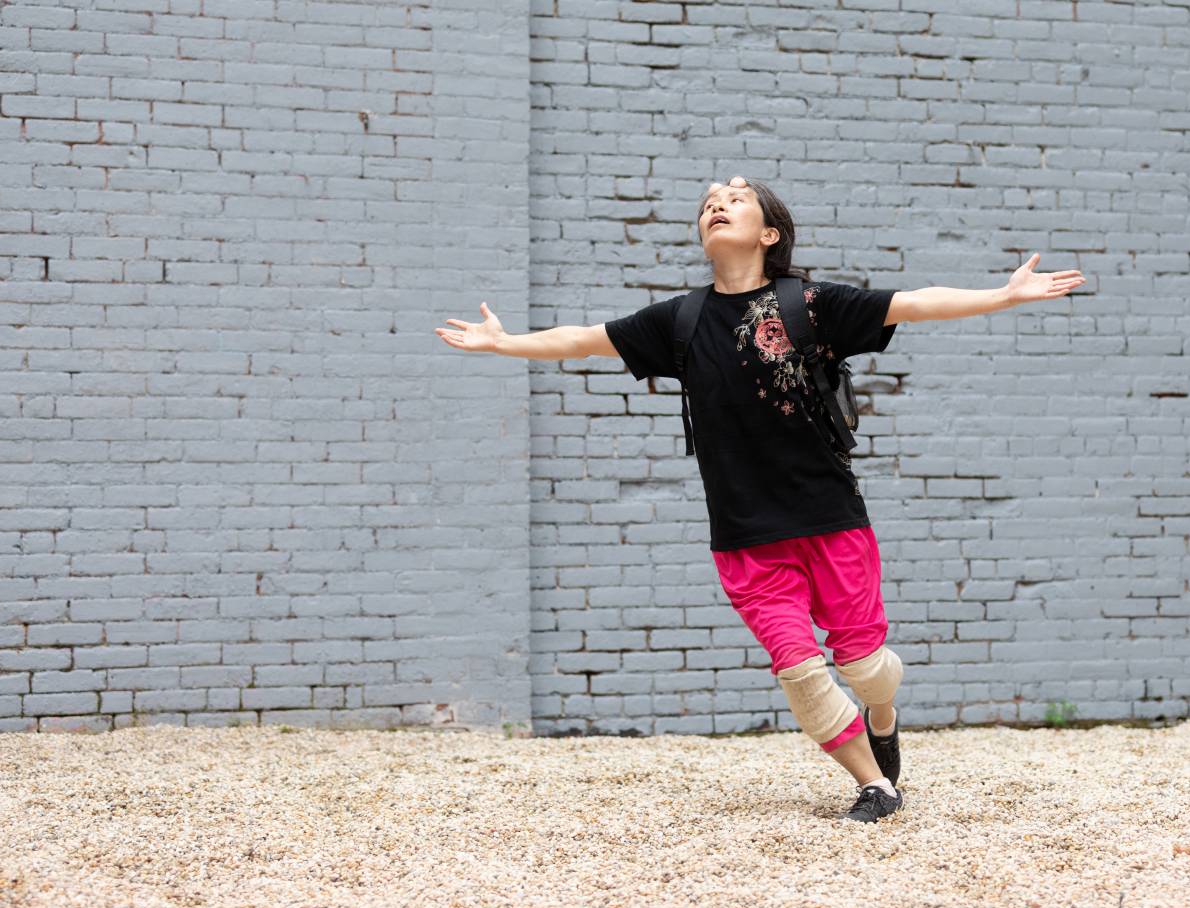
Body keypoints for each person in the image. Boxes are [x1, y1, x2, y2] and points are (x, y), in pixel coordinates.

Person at [436, 176, 1086, 823]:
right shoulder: (680, 321)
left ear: (769, 233)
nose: (718, 203)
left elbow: (913, 303)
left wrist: (1002, 295)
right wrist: (504, 342)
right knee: (800, 673)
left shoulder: (810, 304)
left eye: (736, 198)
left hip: (831, 521)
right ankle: (876, 786)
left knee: (865, 668)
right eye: (708, 202)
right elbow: (583, 339)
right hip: (745, 536)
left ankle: (882, 714)